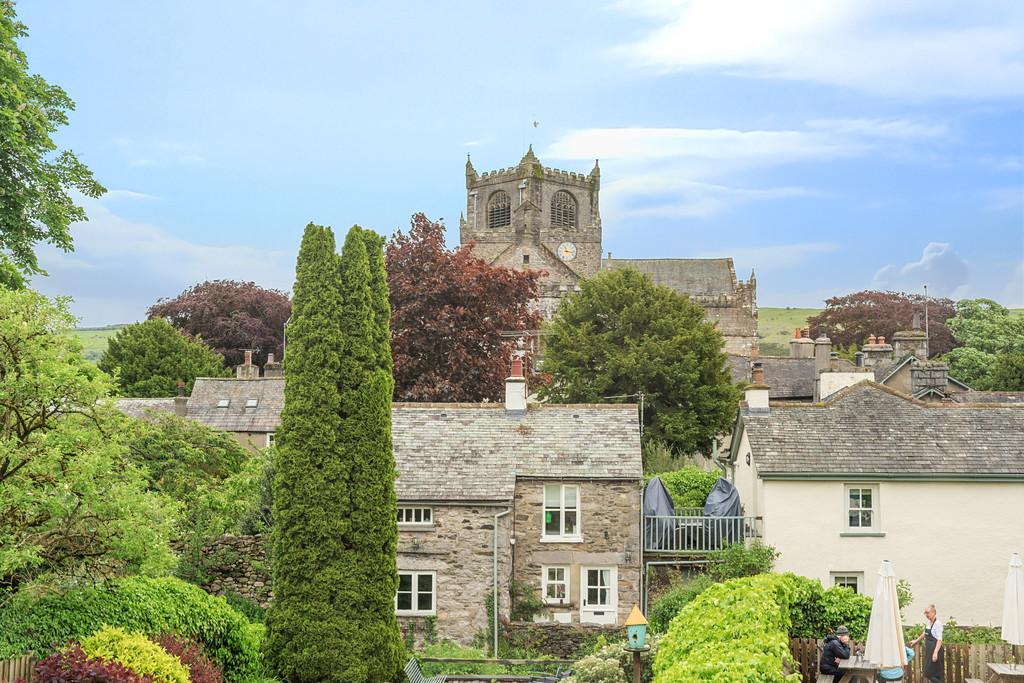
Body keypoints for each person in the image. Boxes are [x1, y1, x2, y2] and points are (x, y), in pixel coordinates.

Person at [909, 604, 944, 682]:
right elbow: (925, 633)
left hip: (935, 651)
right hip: (930, 651)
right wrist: (916, 640)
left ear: (933, 612)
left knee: (929, 674)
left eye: (927, 613)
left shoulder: (937, 623)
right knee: (934, 674)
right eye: (925, 613)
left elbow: (939, 640)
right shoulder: (929, 622)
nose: (926, 615)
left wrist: (935, 653)